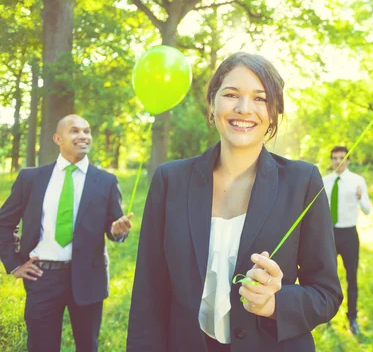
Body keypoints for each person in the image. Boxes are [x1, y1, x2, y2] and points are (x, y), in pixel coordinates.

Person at [127, 52, 343, 352]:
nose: (244, 109)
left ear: (274, 111)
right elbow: (147, 296)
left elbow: (326, 293)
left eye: (260, 98)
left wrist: (275, 304)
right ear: (212, 103)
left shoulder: (303, 181)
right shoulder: (170, 180)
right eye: (231, 94)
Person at [0, 114, 134, 352]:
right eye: (74, 131)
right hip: (42, 277)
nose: (83, 136)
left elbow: (115, 227)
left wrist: (116, 231)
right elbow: (4, 222)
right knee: (41, 346)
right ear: (57, 138)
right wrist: (13, 264)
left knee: (87, 346)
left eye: (87, 131)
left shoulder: (106, 181)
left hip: (88, 277)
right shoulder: (31, 178)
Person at [323, 146, 372, 334]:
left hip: (349, 234)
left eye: (342, 158)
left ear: (348, 160)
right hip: (329, 235)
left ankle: (352, 318)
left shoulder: (357, 181)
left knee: (352, 277)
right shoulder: (325, 181)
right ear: (331, 160)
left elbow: (368, 210)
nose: (338, 162)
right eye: (334, 158)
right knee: (327, 276)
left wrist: (361, 198)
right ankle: (326, 315)